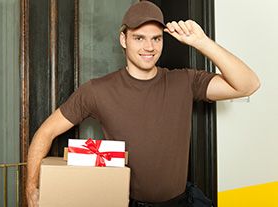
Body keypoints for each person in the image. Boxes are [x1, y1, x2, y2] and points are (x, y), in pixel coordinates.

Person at [26, 1, 260, 207]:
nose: (149, 47)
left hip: (183, 201)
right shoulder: (97, 90)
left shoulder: (185, 81)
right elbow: (45, 132)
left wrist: (202, 42)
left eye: (156, 38)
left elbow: (248, 84)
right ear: (123, 39)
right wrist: (31, 189)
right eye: (139, 38)